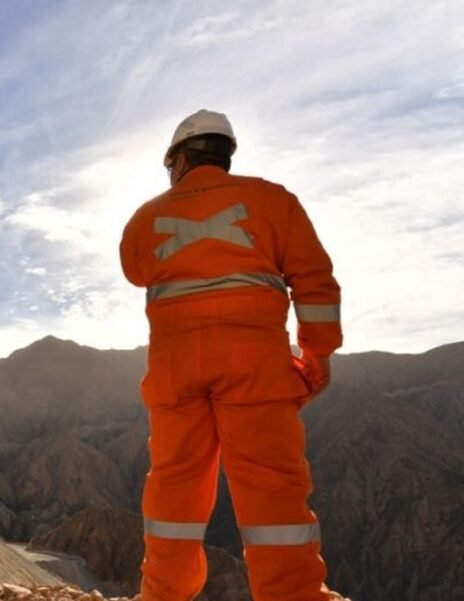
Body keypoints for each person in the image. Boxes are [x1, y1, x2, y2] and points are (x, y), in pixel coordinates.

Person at [119, 110, 344, 601]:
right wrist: (318, 352)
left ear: (178, 160)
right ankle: (292, 595)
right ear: (225, 154)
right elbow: (314, 280)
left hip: (176, 371)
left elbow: (134, 271)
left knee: (174, 487)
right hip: (254, 365)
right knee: (272, 487)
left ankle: (163, 595)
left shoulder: (146, 217)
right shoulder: (274, 201)